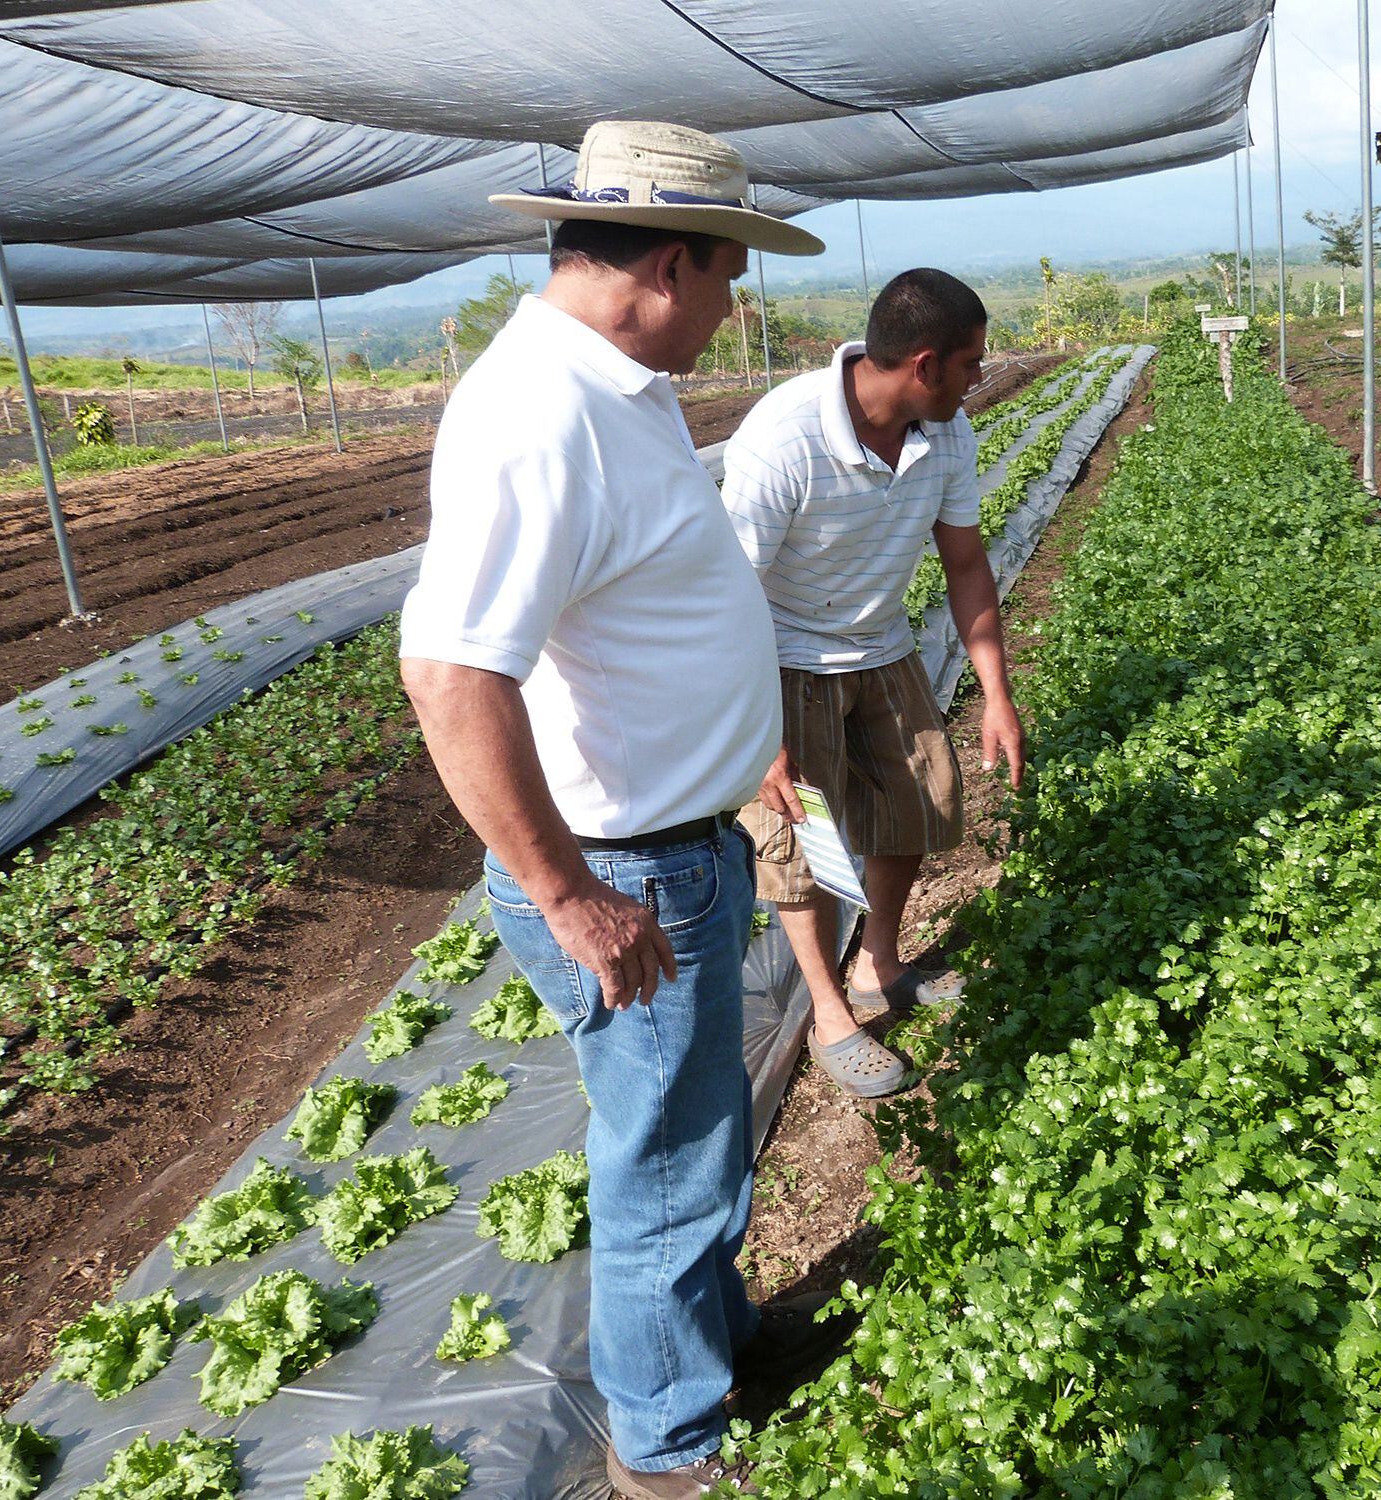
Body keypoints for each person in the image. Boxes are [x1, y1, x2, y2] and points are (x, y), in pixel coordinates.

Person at [398, 120, 824, 1500]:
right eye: (729, 274)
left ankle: (715, 1342)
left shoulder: (614, 383)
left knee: (692, 1140)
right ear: (672, 263)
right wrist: (574, 892)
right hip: (629, 872)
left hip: (672, 852)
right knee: (662, 1167)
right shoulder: (539, 416)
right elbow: (455, 671)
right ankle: (669, 1449)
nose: (732, 302)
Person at [720, 269, 1024, 1099]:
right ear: (923, 364)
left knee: (916, 806)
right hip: (778, 659)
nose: (977, 380)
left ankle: (878, 965)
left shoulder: (944, 434)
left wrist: (997, 694)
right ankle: (829, 1014)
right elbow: (727, 596)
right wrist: (757, 736)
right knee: (800, 848)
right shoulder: (783, 440)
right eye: (969, 365)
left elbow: (965, 564)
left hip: (881, 647)